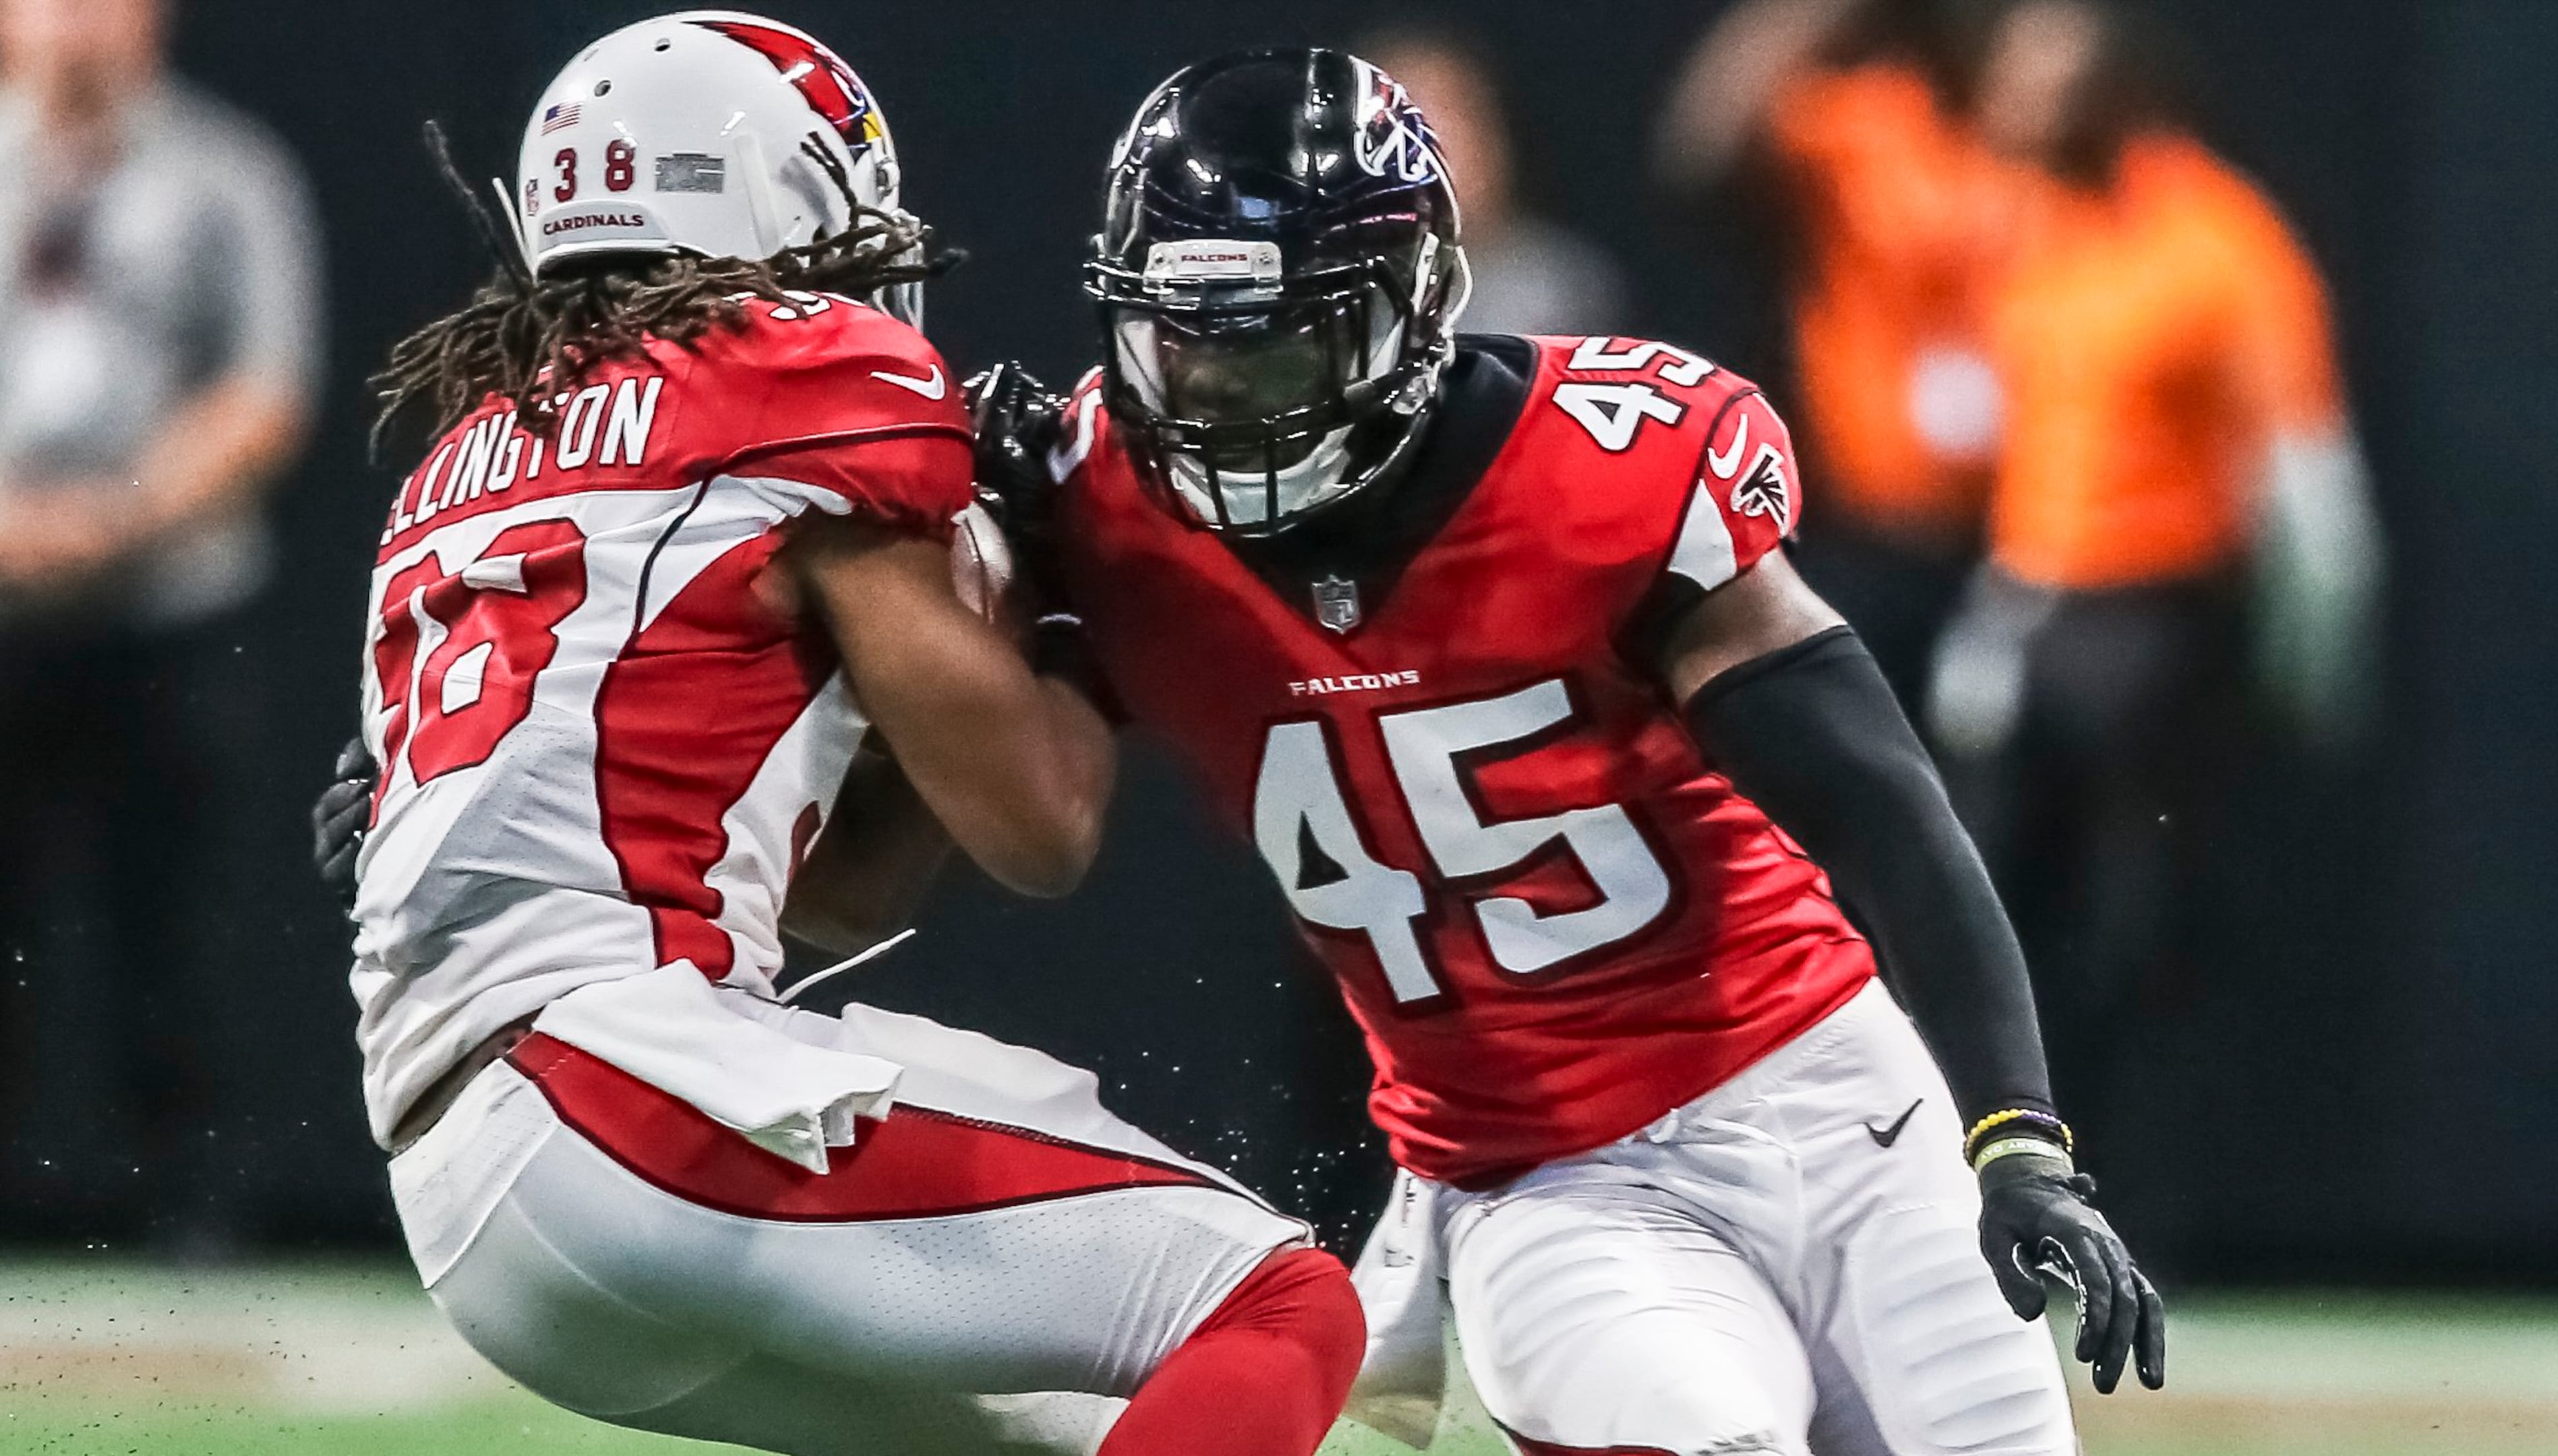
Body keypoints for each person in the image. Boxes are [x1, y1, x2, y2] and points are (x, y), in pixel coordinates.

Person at [977, 49, 2161, 1456]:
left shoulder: (1604, 468)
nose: (1225, 397)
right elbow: (1025, 816)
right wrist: (964, 554)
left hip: (1838, 1108)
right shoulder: (1092, 505)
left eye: (1278, 344)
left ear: (1404, 309)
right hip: (1545, 1182)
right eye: (1187, 339)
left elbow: (1886, 812)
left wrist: (2018, 1135)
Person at [310, 16, 1359, 1455]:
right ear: (768, 194)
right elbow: (1041, 829)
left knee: (1053, 1429)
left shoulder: (464, 457)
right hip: (619, 1087)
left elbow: (841, 893)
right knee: (1279, 1305)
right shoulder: (790, 374)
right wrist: (1064, 593)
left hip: (466, 1192)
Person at [1927, 0, 2383, 1131]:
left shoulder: (2215, 235)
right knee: (1979, 913)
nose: (2012, 92)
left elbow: (2309, 482)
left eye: (2046, 69)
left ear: (2114, 83)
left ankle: (2138, 1208)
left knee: (2136, 933)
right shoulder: (2021, 221)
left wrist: (2313, 664)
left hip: (2157, 626)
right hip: (2031, 609)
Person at [0, 0, 319, 1247]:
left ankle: (189, 1196)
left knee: (172, 917)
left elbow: (265, 387)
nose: (78, 25)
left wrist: (119, 513)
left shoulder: (226, 173)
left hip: (172, 605)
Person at [1658, 0, 2015, 722]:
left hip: (2035, 541)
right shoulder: (1871, 121)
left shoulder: (2042, 134)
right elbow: (1703, 150)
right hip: (1878, 531)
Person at [1363, 21, 1627, 336]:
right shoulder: (1321, 290)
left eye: (1452, 115)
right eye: (1399, 122)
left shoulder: (1560, 287)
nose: (1433, 143)